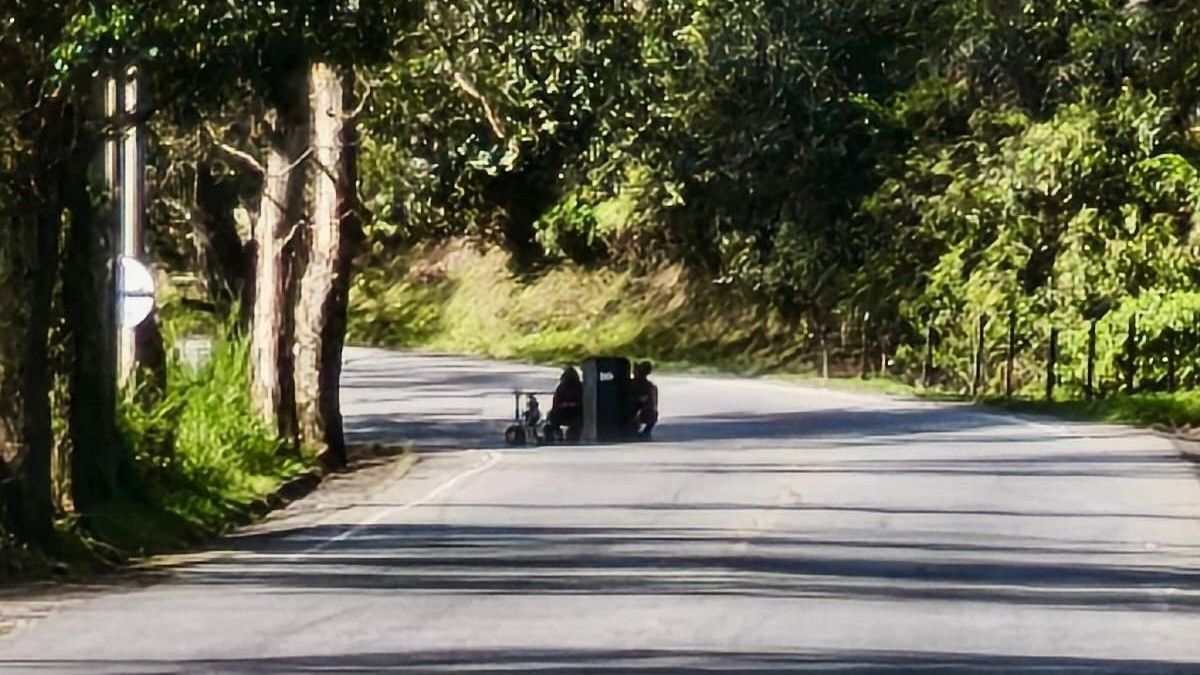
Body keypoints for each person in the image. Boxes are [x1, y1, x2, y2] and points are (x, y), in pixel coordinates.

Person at [546, 366, 583, 442]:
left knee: (552, 417)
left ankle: (557, 434)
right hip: (576, 413)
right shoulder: (580, 387)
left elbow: (555, 403)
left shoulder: (561, 387)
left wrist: (564, 405)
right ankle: (573, 435)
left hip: (564, 413)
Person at [630, 360, 658, 439]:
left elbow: (652, 404)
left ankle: (645, 431)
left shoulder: (650, 387)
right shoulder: (630, 384)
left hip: (642, 411)